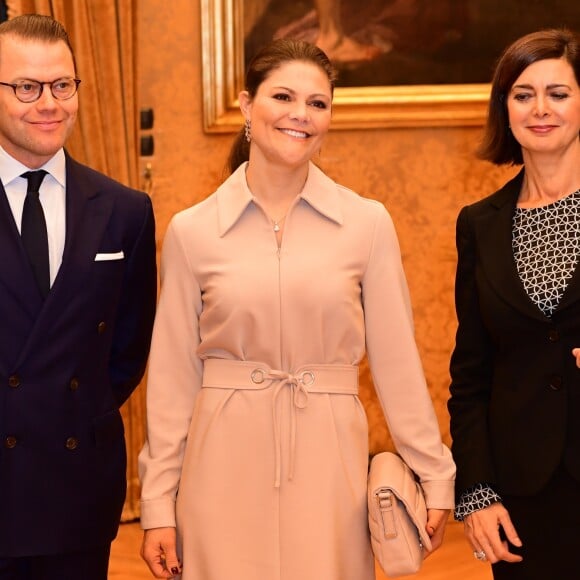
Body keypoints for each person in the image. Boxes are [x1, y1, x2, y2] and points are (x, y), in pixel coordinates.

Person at [139, 38, 454, 580]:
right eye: (283, 96)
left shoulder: (367, 223)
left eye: (317, 103)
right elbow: (171, 383)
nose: (300, 115)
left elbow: (398, 365)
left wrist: (435, 474)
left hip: (330, 460)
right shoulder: (192, 231)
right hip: (219, 463)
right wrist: (157, 506)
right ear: (246, 104)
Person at [0, 14, 157, 580]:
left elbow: (126, 352)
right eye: (26, 87)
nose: (49, 104)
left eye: (62, 85)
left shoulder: (125, 211)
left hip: (77, 493)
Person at [448, 28, 580, 580]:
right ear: (505, 108)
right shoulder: (479, 224)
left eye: (559, 92)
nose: (540, 108)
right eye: (523, 94)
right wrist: (476, 493)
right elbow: (471, 374)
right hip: (525, 497)